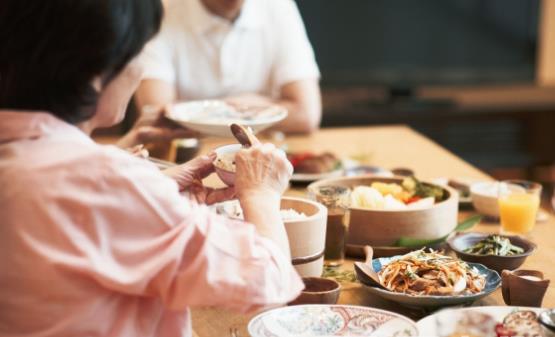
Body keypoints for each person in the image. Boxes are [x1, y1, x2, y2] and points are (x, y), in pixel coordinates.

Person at [0, 1, 303, 336]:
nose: (142, 69)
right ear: (98, 70)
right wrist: (260, 192)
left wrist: (150, 191)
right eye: (141, 51)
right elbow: (264, 284)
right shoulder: (105, 181)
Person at [116, 0, 322, 149]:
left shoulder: (278, 7)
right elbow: (158, 115)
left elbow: (307, 115)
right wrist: (255, 110)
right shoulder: (162, 11)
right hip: (186, 160)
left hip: (260, 154)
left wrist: (210, 114)